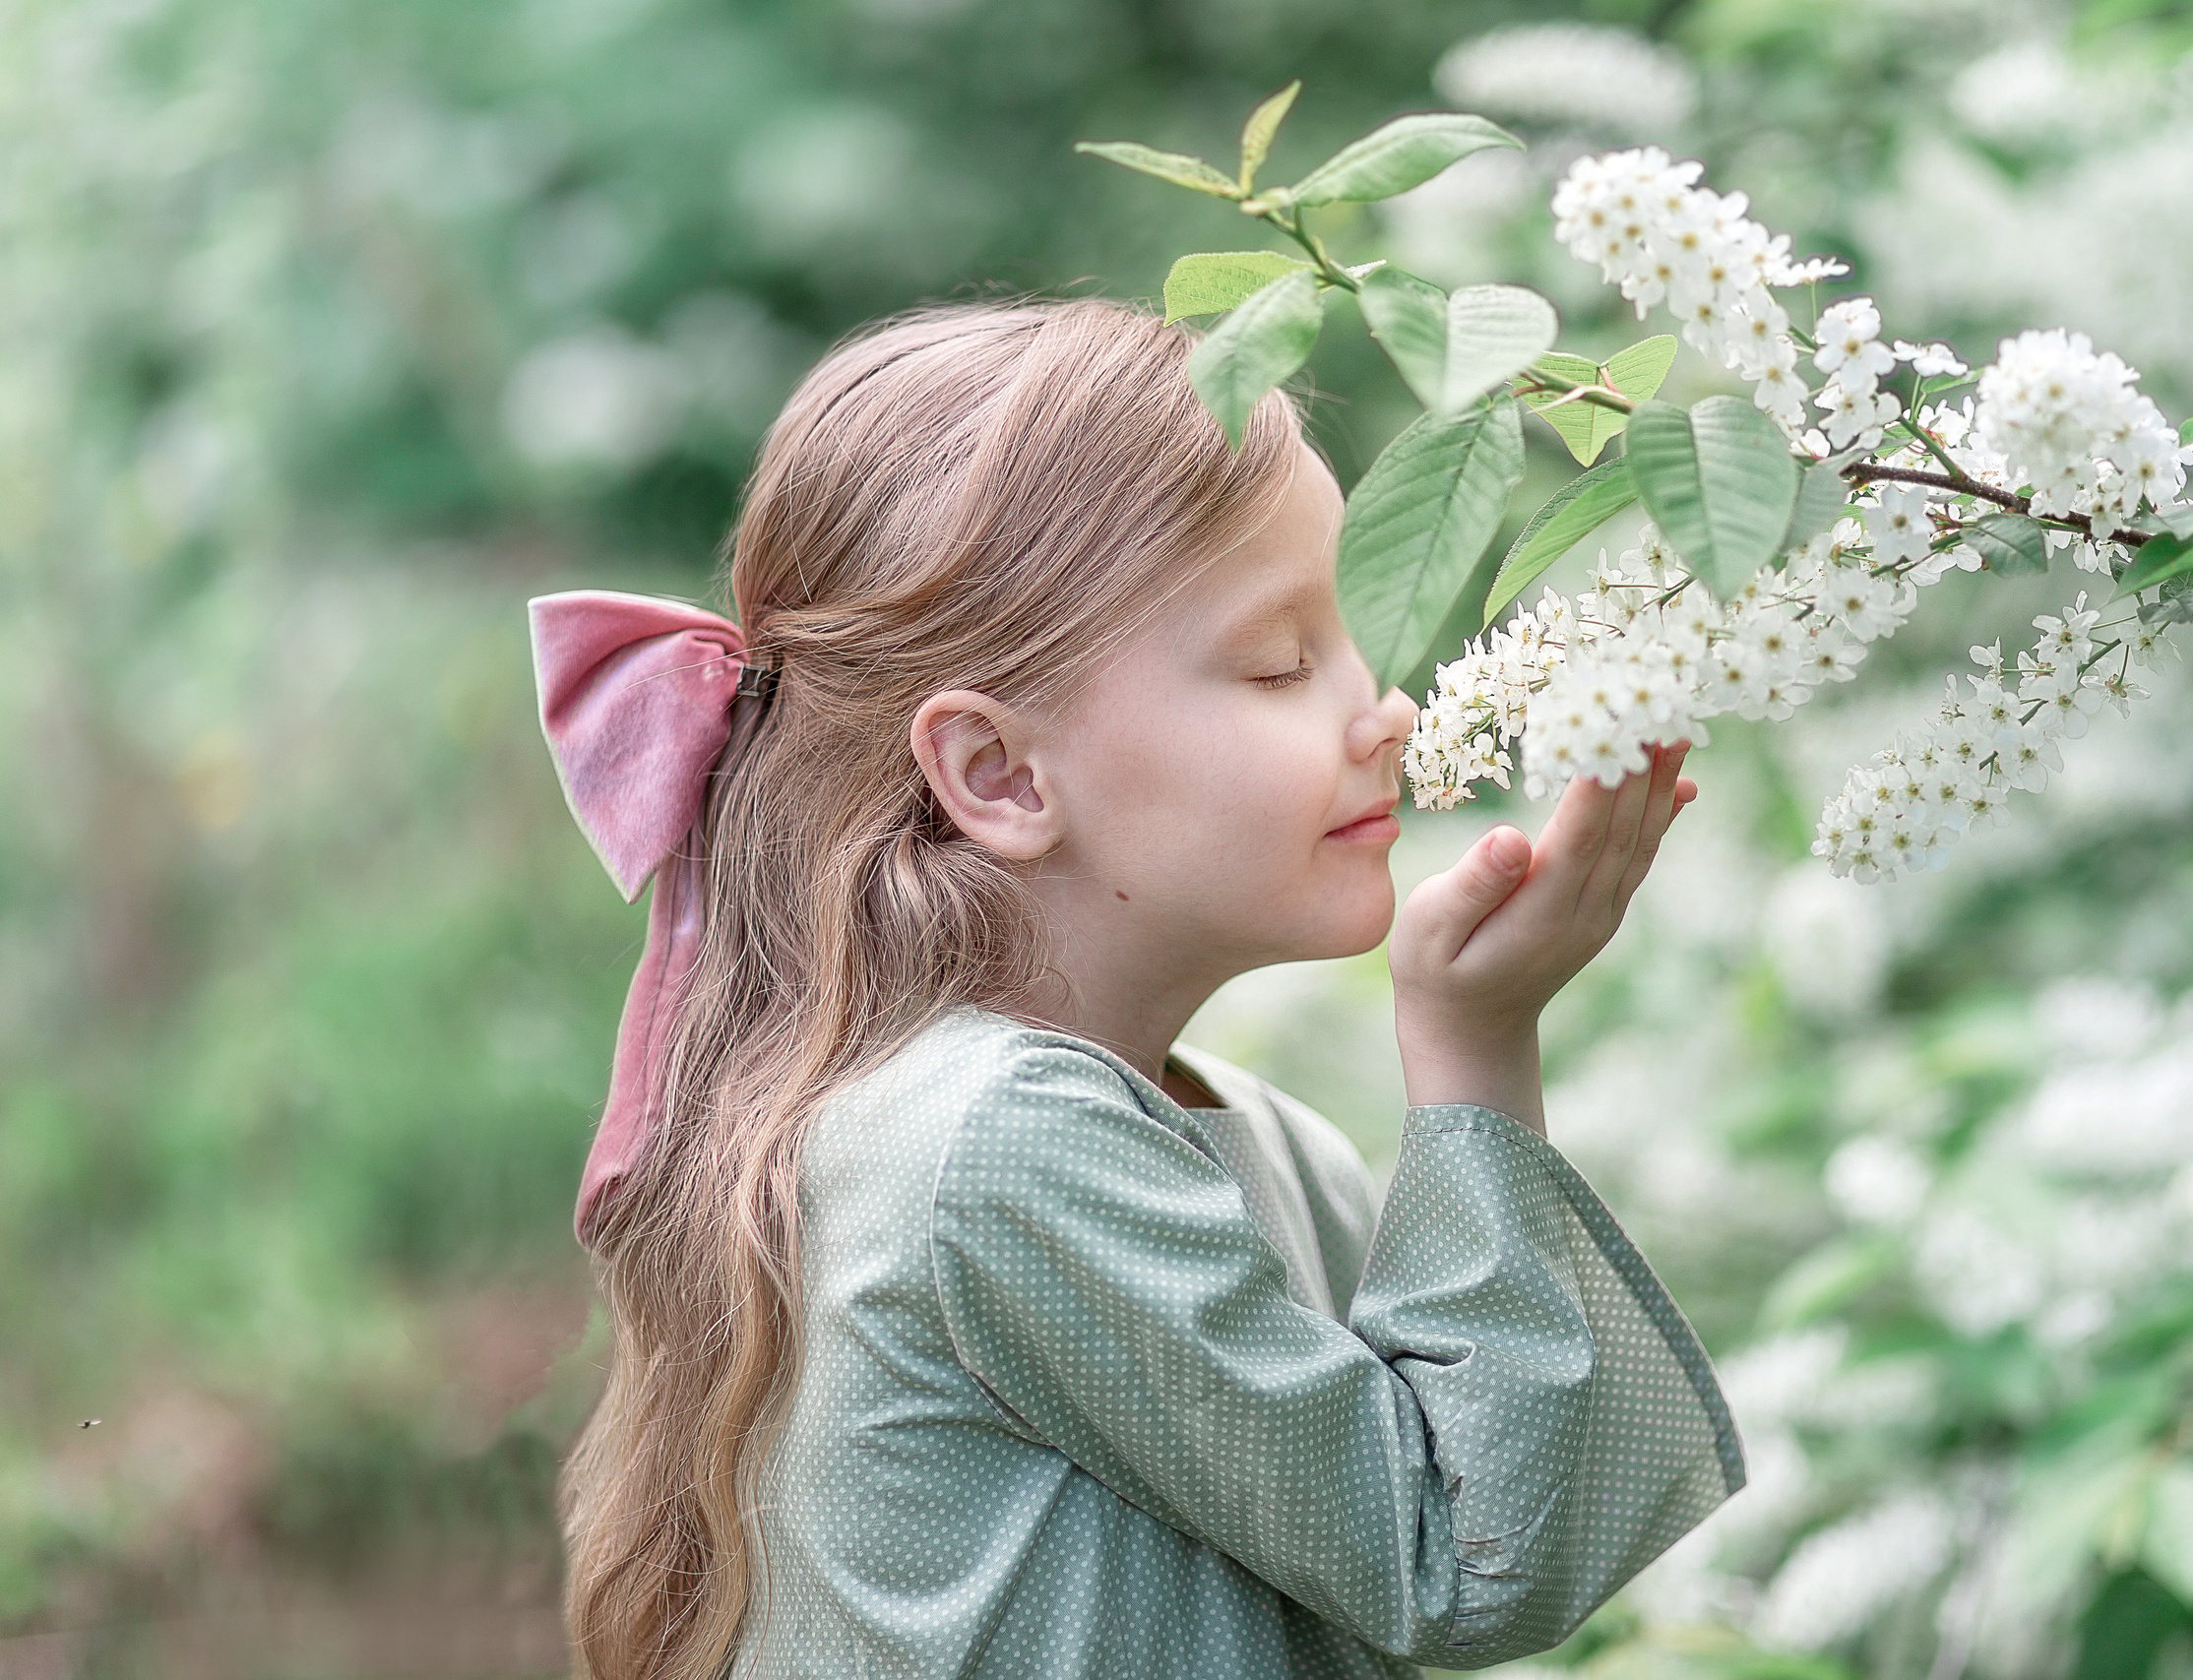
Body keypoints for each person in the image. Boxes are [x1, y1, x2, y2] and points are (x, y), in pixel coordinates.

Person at [527, 295, 1743, 1680]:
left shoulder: (1263, 1144)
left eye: (1355, 637)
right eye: (1279, 664)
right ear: (1000, 775)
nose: (1389, 712)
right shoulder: (999, 1151)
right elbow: (1463, 1563)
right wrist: (1477, 1044)